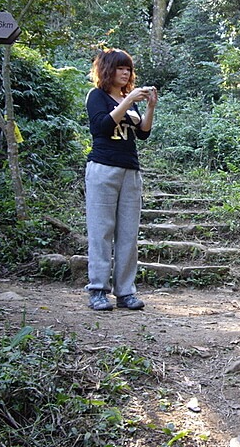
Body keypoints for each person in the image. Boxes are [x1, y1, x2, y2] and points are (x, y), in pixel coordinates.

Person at [84, 48, 158, 311]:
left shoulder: (129, 98)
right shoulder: (97, 96)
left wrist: (149, 107)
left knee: (128, 234)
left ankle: (125, 292)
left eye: (128, 69)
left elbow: (143, 133)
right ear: (107, 70)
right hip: (103, 169)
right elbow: (101, 126)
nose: (125, 73)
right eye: (120, 68)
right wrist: (126, 102)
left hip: (130, 170)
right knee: (101, 231)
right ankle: (98, 290)